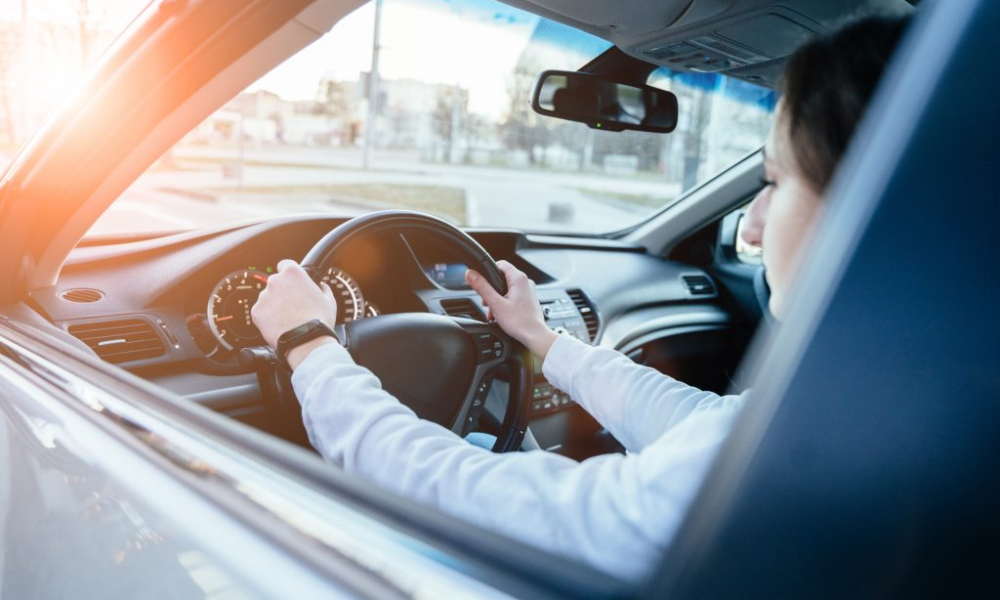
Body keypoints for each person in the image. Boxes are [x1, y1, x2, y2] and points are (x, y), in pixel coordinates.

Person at [250, 16, 909, 583]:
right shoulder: (874, 418)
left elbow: (459, 495)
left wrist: (308, 344)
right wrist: (542, 340)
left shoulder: (808, 456)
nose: (753, 225)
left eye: (775, 181)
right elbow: (703, 421)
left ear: (878, 202)